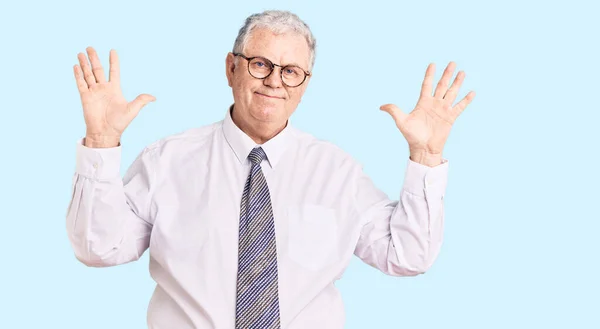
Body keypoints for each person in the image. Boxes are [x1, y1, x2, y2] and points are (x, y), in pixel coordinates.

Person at [66, 10, 475, 329]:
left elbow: (407, 255)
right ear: (231, 68)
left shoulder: (337, 171)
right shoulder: (166, 161)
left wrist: (426, 155)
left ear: (305, 84)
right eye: (260, 63)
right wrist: (101, 142)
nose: (274, 81)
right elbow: (99, 248)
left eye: (291, 71)